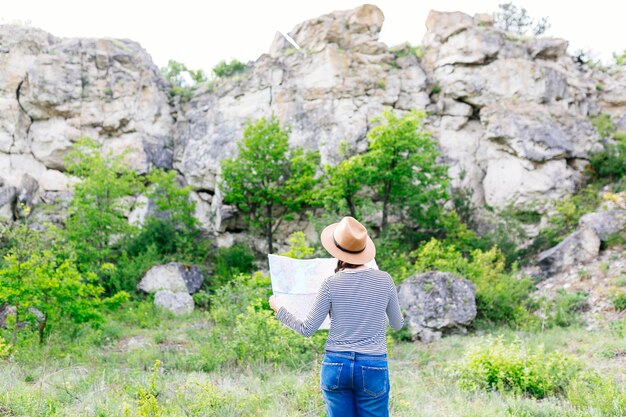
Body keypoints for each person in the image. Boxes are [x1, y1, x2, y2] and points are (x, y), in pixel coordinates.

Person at [269, 216, 404, 417]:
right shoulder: (385, 280)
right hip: (373, 365)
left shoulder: (330, 283)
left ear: (337, 250)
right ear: (364, 250)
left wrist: (280, 309)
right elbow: (397, 324)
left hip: (336, 365)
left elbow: (307, 329)